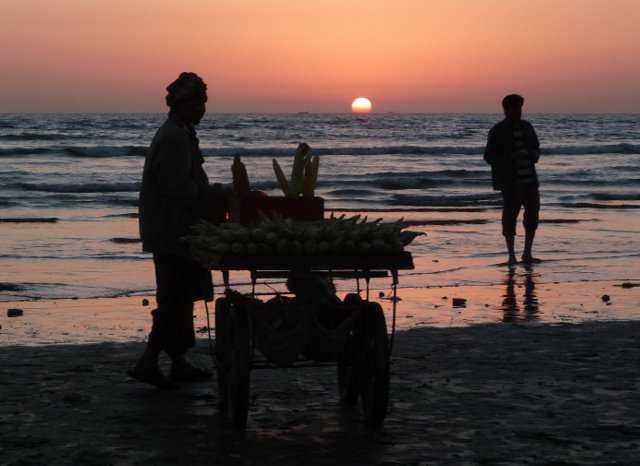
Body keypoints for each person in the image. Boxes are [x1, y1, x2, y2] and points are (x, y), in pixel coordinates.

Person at [128, 72, 229, 388]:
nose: (203, 110)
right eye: (198, 103)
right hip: (174, 232)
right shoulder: (174, 137)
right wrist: (219, 195)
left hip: (177, 230)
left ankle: (178, 362)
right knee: (174, 298)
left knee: (181, 297)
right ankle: (148, 361)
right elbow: (178, 188)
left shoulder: (179, 132)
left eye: (204, 103)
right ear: (183, 104)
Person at [484, 94, 541, 265]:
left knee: (532, 217)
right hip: (511, 182)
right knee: (510, 218)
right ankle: (511, 256)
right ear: (506, 110)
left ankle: (527, 253)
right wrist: (512, 157)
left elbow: (536, 148)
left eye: (520, 108)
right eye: (515, 108)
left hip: (530, 180)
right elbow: (489, 156)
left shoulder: (527, 127)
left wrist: (532, 154)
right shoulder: (498, 130)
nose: (519, 111)